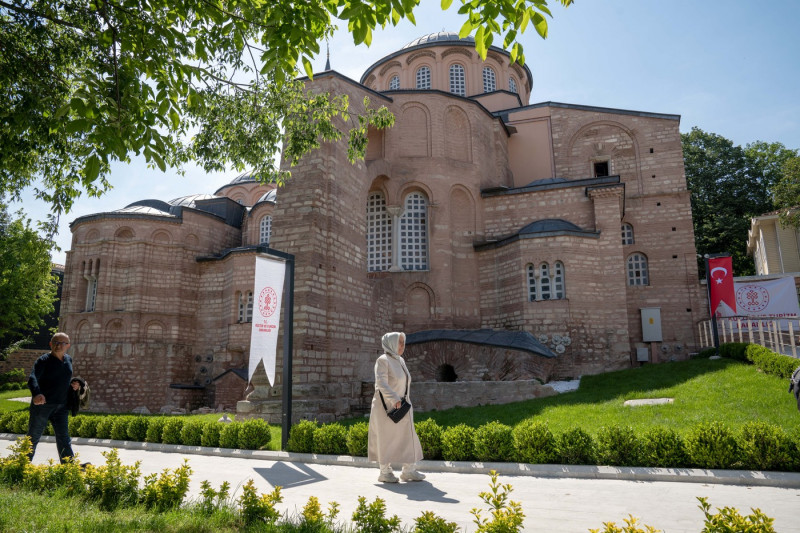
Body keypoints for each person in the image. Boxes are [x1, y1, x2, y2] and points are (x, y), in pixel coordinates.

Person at [367, 331, 425, 483]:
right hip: (387, 408)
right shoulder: (383, 360)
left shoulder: (400, 360)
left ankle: (409, 470)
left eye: (403, 342)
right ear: (390, 343)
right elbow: (381, 383)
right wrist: (394, 399)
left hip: (403, 406)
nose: (402, 346)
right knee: (386, 439)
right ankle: (385, 472)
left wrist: (404, 401)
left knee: (408, 436)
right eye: (399, 342)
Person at [27, 332, 81, 463]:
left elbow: (63, 379)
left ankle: (68, 467)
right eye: (56, 342)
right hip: (42, 405)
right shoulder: (43, 360)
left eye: (63, 343)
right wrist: (37, 393)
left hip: (61, 406)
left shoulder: (68, 360)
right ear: (51, 344)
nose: (59, 345)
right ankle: (21, 465)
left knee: (64, 438)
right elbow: (32, 378)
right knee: (33, 437)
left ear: (68, 345)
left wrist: (73, 385)